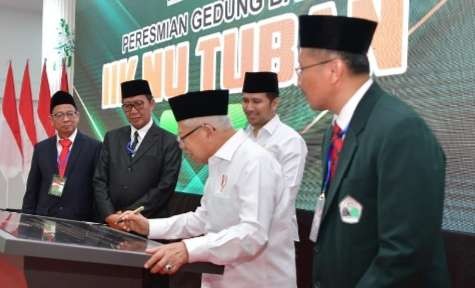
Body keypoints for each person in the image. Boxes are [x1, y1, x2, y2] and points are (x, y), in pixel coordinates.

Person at [297, 15, 450, 287]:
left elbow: (405, 253)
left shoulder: (401, 131)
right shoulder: (334, 133)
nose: (299, 82)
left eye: (301, 69)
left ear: (333, 70)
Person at [119, 89, 296, 288]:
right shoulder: (217, 163)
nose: (182, 146)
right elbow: (204, 218)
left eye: (183, 137)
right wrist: (150, 227)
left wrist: (188, 249)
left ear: (207, 130)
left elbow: (252, 234)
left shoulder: (255, 162)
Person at [93, 79, 181, 228]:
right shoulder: (112, 137)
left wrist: (126, 216)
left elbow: (165, 186)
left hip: (148, 223)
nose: (133, 111)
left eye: (139, 104)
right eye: (127, 106)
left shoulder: (170, 141)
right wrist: (109, 214)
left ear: (152, 103)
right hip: (111, 222)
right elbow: (99, 179)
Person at [242, 71, 307, 241]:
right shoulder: (240, 138)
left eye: (256, 101)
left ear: (274, 103)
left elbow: (285, 195)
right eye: (245, 100)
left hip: (275, 236)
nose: (249, 107)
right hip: (239, 232)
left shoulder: (289, 140)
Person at [22, 91, 101, 221]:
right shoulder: (41, 148)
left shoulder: (94, 147)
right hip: (45, 220)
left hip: (79, 223)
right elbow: (32, 190)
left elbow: (98, 189)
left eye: (70, 114)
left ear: (77, 116)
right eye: (59, 115)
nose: (66, 119)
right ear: (51, 120)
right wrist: (26, 223)